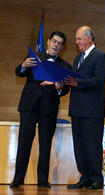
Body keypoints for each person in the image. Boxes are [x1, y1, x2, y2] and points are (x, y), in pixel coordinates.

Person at [10, 31, 71, 189]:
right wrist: (23, 66)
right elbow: (18, 72)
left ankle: (43, 180)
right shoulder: (34, 57)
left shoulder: (65, 66)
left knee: (45, 144)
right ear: (48, 42)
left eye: (59, 43)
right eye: (54, 41)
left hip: (49, 108)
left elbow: (65, 91)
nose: (56, 45)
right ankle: (18, 179)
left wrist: (59, 88)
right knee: (24, 143)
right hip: (29, 106)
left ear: (62, 47)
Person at [64, 26, 105, 190]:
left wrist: (78, 83)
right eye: (76, 39)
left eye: (79, 39)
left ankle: (96, 179)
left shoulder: (101, 56)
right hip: (76, 109)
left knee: (92, 145)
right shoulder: (77, 58)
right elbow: (73, 81)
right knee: (79, 145)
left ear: (89, 38)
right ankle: (85, 177)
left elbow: (99, 80)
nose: (76, 42)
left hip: (92, 110)